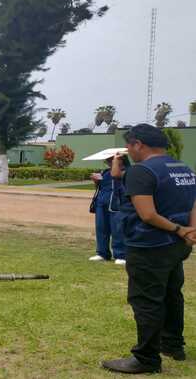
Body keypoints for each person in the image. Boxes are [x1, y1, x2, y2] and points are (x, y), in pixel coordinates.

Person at [102, 124, 196, 374]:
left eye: (129, 146)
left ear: (138, 144)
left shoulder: (142, 171)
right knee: (171, 294)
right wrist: (189, 231)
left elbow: (147, 215)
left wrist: (179, 230)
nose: (129, 152)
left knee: (146, 300)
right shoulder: (183, 167)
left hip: (149, 245)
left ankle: (146, 358)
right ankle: (173, 345)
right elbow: (192, 203)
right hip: (178, 246)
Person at [88, 154, 129, 265]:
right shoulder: (105, 172)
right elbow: (100, 187)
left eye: (111, 160)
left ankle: (121, 255)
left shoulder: (126, 171)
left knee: (117, 230)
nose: (109, 163)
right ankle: (102, 253)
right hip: (102, 203)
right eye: (108, 161)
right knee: (101, 229)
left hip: (117, 203)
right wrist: (96, 181)